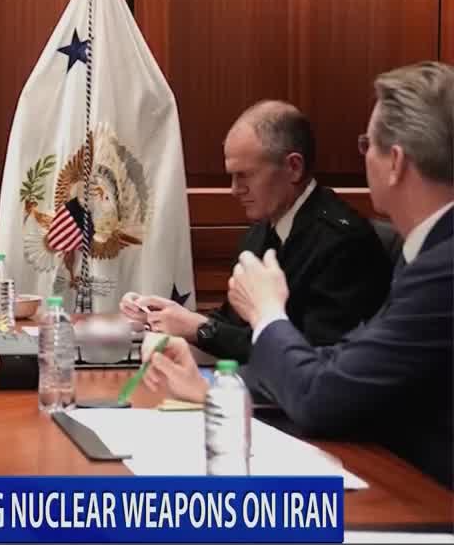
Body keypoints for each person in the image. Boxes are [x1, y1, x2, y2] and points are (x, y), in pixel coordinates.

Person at [143, 62, 454, 487]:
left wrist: (268, 313)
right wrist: (217, 390)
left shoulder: (441, 268)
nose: (364, 156)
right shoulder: (426, 252)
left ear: (395, 162)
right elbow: (345, 361)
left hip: (422, 493)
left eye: (368, 145)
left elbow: (322, 395)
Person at [121, 101, 389, 361]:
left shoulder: (342, 243)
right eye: (231, 176)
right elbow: (234, 326)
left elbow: (312, 357)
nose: (234, 189)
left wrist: (200, 328)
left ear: (293, 167)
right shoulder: (261, 232)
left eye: (244, 175)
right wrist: (164, 316)